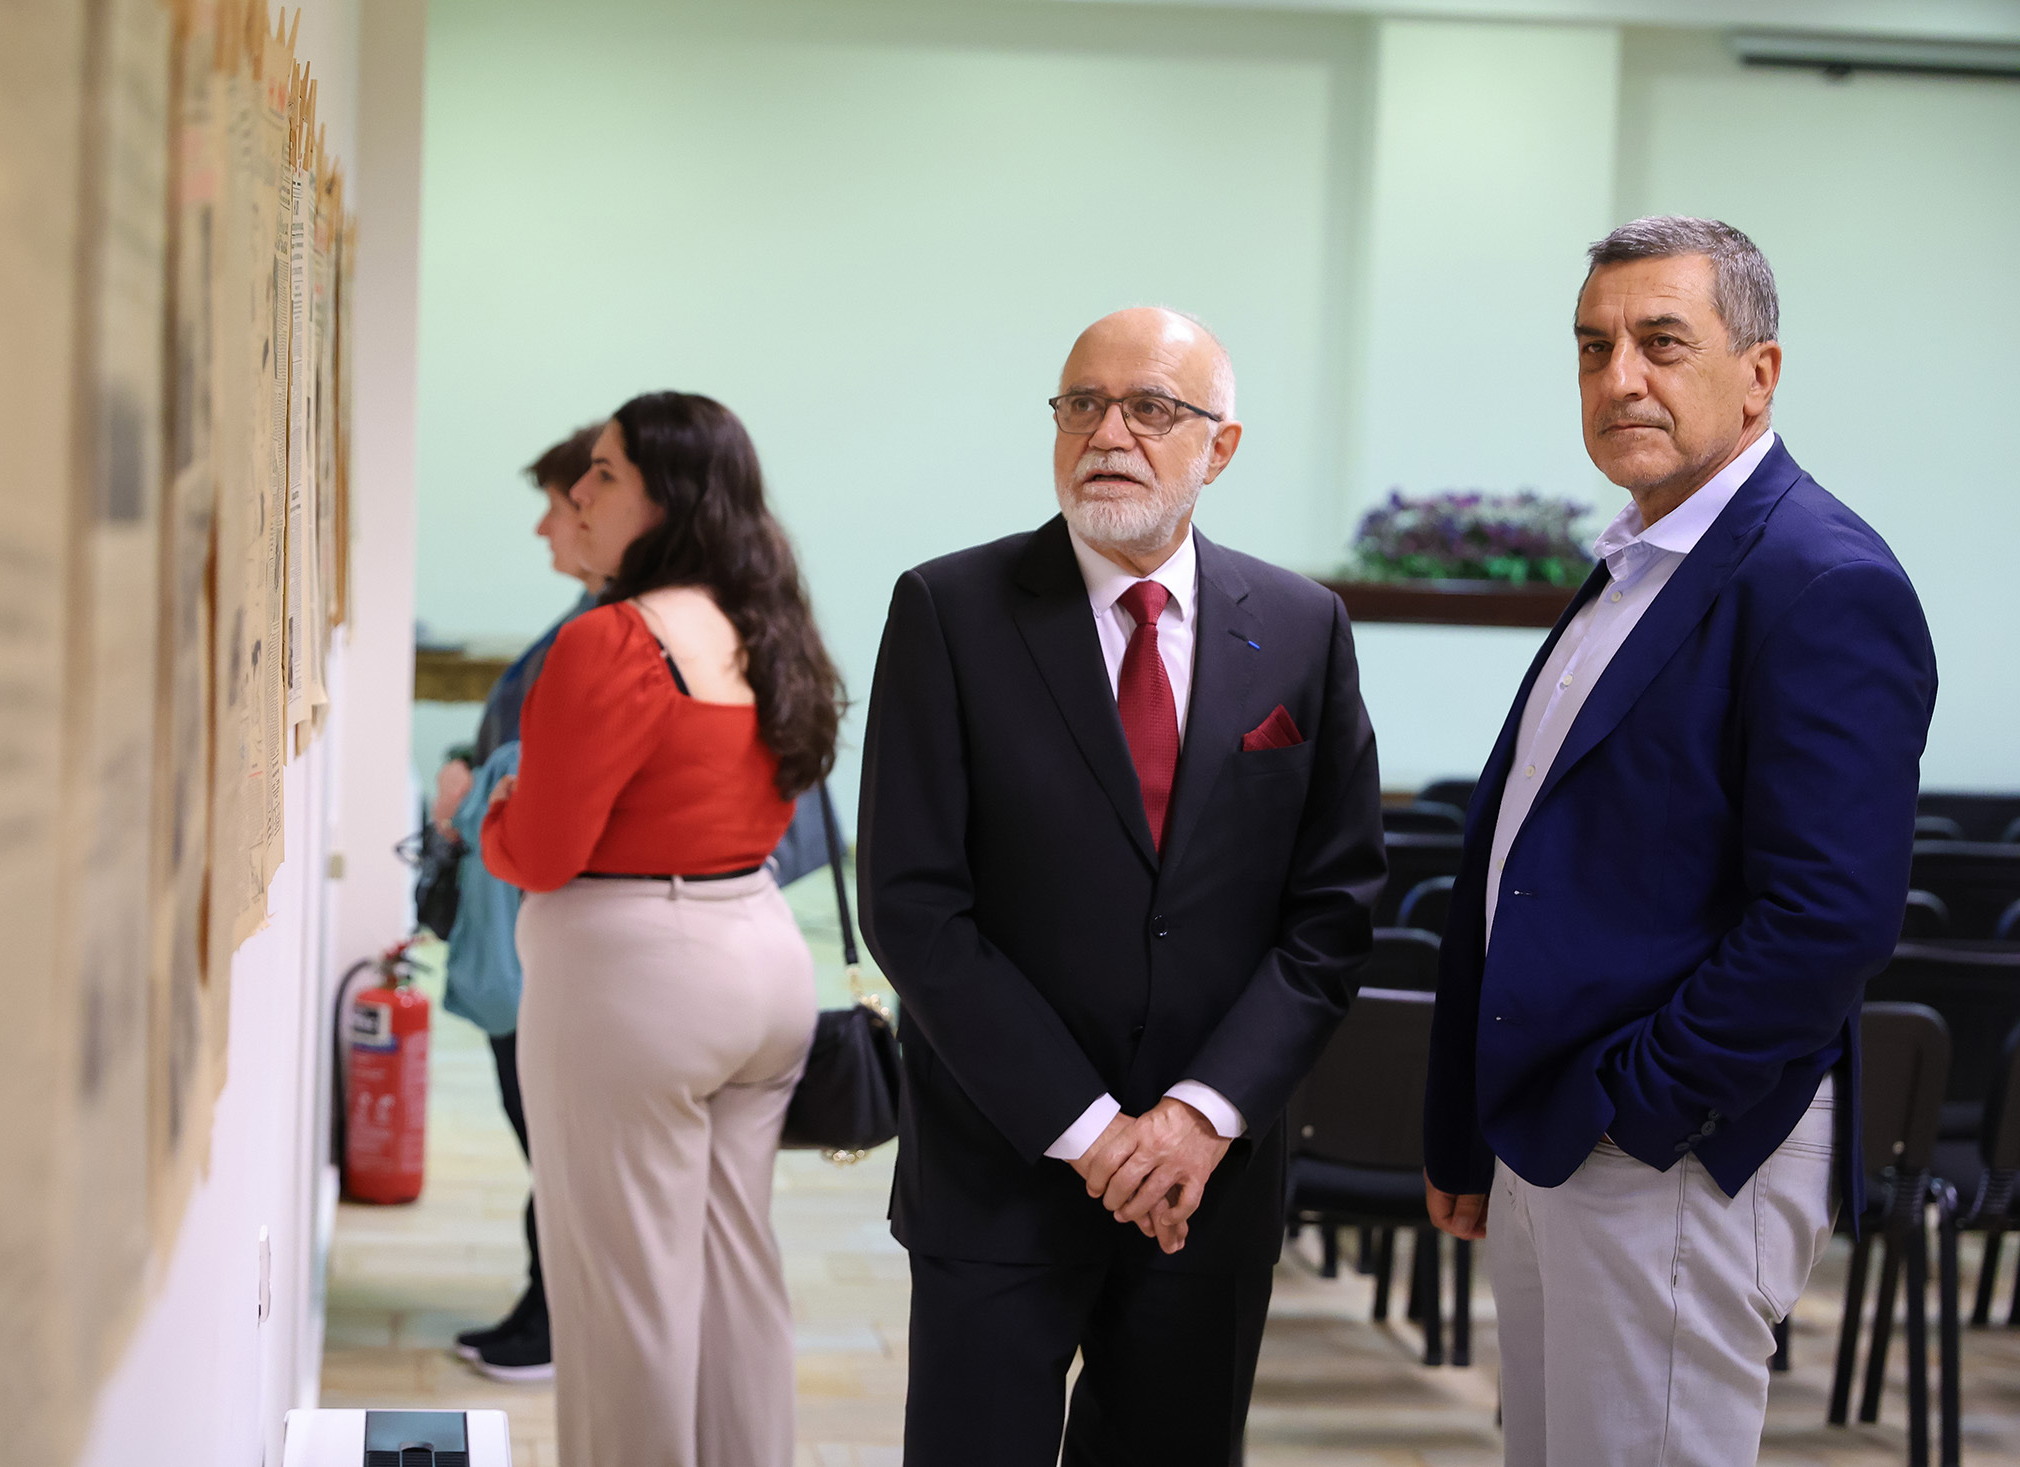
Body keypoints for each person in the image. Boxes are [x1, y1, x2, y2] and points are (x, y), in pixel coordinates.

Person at [1422, 217, 1937, 1466]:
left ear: (1759, 373)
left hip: (1667, 1152)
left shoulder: (1822, 579)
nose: (1619, 379)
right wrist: (1477, 1123)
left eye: (1661, 343)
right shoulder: (1636, 563)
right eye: (1592, 348)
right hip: (1560, 1134)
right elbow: (1527, 859)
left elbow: (1828, 917)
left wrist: (1639, 1109)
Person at [858, 307, 1386, 1464]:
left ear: (1219, 446)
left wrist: (1199, 1115)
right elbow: (912, 904)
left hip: (1208, 1184)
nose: (1108, 434)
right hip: (1001, 1164)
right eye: (1082, 405)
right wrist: (1092, 1132)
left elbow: (1333, 911)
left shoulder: (1302, 627)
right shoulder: (950, 609)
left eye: (1150, 408)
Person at [478, 392, 843, 1467]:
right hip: (764, 964)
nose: (578, 494)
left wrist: (495, 810)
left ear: (667, 500)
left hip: (633, 987)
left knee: (623, 1297)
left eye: (603, 473)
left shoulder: (610, 640)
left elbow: (539, 852)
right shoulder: (767, 628)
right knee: (737, 1277)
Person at [439, 423, 604, 1381]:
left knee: (559, 1137)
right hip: (526, 929)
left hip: (548, 935)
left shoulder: (614, 635)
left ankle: (557, 1321)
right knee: (546, 1130)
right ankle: (550, 1311)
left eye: (562, 504)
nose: (546, 527)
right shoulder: (587, 623)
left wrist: (483, 791)